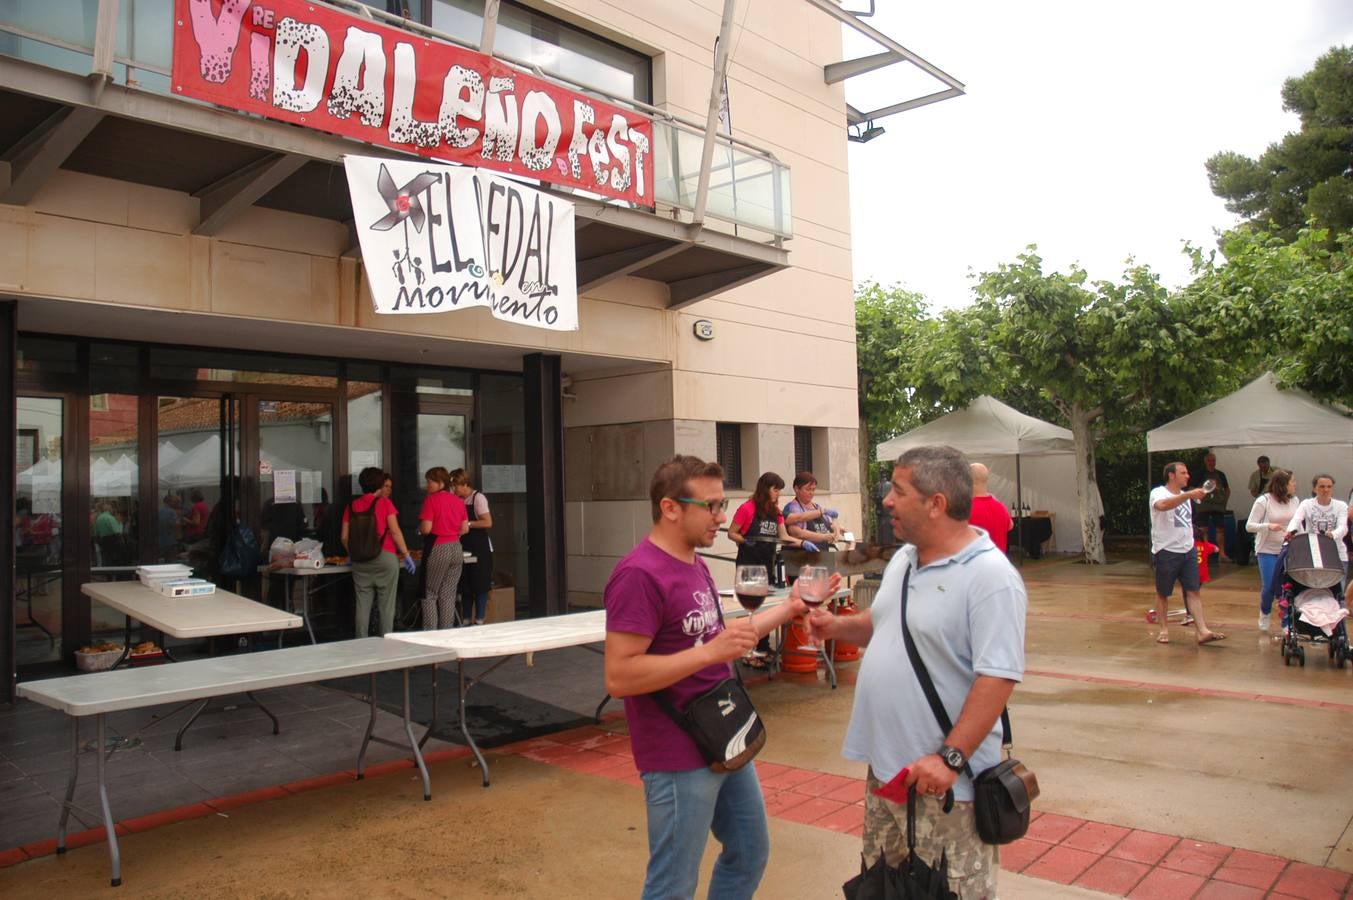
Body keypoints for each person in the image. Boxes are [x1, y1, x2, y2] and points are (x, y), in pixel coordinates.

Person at [806, 445, 1026, 900]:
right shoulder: (906, 559)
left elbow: (997, 677)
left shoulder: (990, 577)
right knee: (881, 890)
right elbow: (884, 624)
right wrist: (834, 627)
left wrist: (950, 759)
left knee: (946, 892)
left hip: (945, 786)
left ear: (936, 503)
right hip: (888, 773)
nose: (886, 500)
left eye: (898, 490)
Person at [603, 455, 820, 900]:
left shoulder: (693, 563)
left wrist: (791, 608)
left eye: (724, 505)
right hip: (677, 752)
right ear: (670, 508)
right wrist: (708, 654)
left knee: (749, 852)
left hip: (723, 733)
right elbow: (620, 676)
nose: (723, 519)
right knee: (673, 884)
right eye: (713, 507)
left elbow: (725, 639)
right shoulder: (638, 574)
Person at [1150, 462, 1225, 645]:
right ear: (1171, 476)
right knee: (1163, 593)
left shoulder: (1186, 495)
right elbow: (1163, 505)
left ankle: (1202, 630)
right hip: (1166, 550)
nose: (1188, 476)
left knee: (1193, 591)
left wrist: (1189, 496)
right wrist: (1188, 495)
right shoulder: (1158, 492)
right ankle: (1164, 629)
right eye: (1183, 473)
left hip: (1188, 549)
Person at [727, 471, 796, 666]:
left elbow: (783, 536)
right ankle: (749, 653)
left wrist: (802, 542)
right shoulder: (747, 508)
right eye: (776, 490)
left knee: (765, 609)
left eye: (780, 491)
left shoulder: (777, 512)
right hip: (748, 565)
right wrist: (744, 541)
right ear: (765, 489)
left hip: (767, 564)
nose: (778, 494)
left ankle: (763, 648)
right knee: (751, 609)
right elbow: (732, 533)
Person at [342, 466, 413, 637]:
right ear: (380, 485)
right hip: (385, 557)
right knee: (386, 605)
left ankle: (361, 642)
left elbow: (344, 537)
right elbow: (395, 532)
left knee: (362, 604)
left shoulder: (351, 506)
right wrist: (406, 554)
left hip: (360, 561)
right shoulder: (384, 503)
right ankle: (386, 642)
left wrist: (352, 553)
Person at [1246, 468, 1300, 631]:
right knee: (1269, 585)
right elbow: (1249, 526)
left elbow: (1299, 522)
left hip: (1288, 549)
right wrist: (1268, 526)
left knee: (1287, 587)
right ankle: (1265, 612)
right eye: (1292, 482)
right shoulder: (1264, 501)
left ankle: (1286, 622)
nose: (1295, 485)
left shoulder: (1295, 501)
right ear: (1283, 485)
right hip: (1267, 550)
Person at [418, 466, 469, 630]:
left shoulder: (431, 500)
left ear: (440, 483)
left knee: (430, 594)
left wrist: (420, 529)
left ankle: (431, 635)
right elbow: (465, 529)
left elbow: (426, 529)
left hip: (438, 547)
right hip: (456, 548)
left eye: (429, 481)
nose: (427, 485)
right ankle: (447, 634)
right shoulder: (458, 501)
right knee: (448, 595)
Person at [1285, 474, 1349, 589]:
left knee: (1338, 591)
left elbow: (1343, 527)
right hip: (1313, 555)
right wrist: (1290, 531)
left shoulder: (1341, 506)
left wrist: (1332, 534)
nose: (1326, 490)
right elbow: (1296, 520)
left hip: (1337, 554)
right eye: (1322, 486)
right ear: (1315, 489)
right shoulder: (1306, 504)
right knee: (1312, 590)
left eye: (1329, 487)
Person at [450, 468, 493, 625]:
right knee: (464, 583)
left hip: (479, 545)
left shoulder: (478, 498)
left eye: (456, 486)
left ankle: (480, 618)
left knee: (480, 583)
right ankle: (466, 619)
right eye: (452, 486)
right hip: (462, 543)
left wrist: (467, 523)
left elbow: (487, 522)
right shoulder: (456, 500)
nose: (454, 489)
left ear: (465, 484)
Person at [1191, 451, 1234, 562]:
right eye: (1209, 461)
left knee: (1221, 529)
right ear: (1205, 462)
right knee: (1202, 530)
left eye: (1213, 461)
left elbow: (1227, 489)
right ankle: (1204, 554)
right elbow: (1191, 489)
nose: (1211, 463)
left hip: (1217, 506)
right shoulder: (1199, 474)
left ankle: (1222, 554)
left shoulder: (1220, 474)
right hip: (1203, 506)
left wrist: (1224, 501)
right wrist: (1197, 500)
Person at [783, 471, 842, 551]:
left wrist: (837, 530)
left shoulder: (817, 507)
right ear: (796, 489)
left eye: (813, 489)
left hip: (822, 554)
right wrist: (824, 537)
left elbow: (831, 524)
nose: (811, 493)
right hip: (802, 556)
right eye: (807, 489)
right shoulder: (793, 508)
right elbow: (796, 533)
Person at [967, 463, 1013, 553]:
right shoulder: (1001, 507)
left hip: (976, 564)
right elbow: (1010, 525)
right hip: (999, 563)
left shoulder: (966, 509)